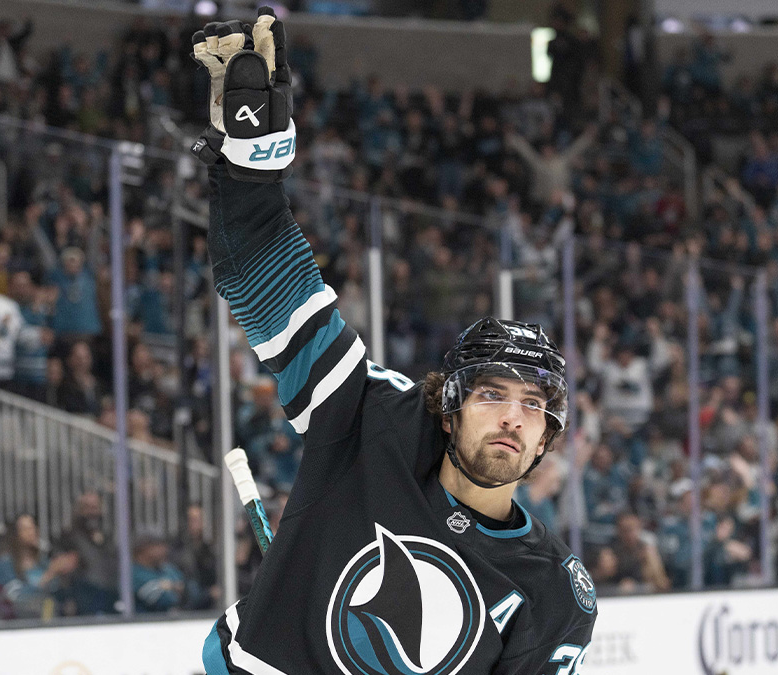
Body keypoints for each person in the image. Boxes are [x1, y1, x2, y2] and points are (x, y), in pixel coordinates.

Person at [189, 12, 596, 675]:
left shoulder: (553, 592)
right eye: (493, 392)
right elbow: (265, 283)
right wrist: (250, 172)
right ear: (449, 404)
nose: (512, 417)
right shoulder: (371, 415)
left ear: (549, 435)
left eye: (534, 405)